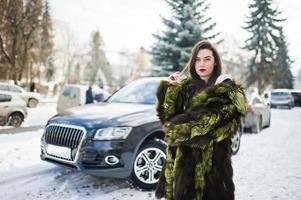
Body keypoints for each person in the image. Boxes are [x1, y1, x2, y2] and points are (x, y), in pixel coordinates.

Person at [155, 40, 248, 200]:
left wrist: (176, 130)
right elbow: (167, 119)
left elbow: (205, 126)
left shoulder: (225, 92)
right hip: (180, 169)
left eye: (207, 59)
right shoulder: (187, 88)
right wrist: (172, 90)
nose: (201, 64)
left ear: (215, 62)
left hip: (210, 174)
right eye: (197, 59)